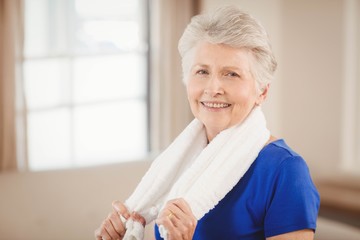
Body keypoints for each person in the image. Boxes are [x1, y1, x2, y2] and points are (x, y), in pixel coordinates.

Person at [95, 5, 320, 240]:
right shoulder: (179, 161)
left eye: (231, 74)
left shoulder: (286, 171)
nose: (213, 89)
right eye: (202, 72)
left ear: (262, 92)